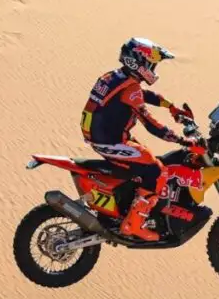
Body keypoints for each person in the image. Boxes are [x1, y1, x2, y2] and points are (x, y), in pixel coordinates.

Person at [80, 37, 204, 241]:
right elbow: (150, 124)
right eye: (151, 64)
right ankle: (133, 225)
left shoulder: (114, 76)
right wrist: (183, 142)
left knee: (144, 159)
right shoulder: (130, 89)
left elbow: (143, 94)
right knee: (155, 171)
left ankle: (127, 205)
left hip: (103, 135)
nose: (153, 68)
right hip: (109, 141)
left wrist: (170, 106)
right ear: (137, 61)